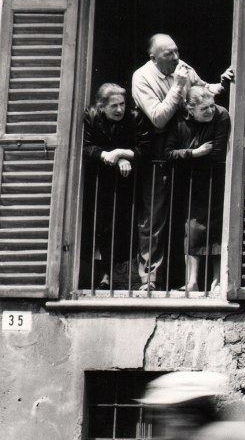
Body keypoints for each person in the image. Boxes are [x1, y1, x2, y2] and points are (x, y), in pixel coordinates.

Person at [131, 34, 234, 290]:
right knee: (154, 216)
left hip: (188, 144)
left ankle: (190, 280)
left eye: (177, 51)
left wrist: (221, 82)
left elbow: (203, 91)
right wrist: (177, 86)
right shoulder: (142, 77)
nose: (176, 58)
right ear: (154, 57)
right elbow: (158, 118)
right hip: (159, 151)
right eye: (169, 54)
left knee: (192, 215)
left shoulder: (183, 67)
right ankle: (150, 279)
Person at [81, 83, 151, 289]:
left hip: (128, 181)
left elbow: (146, 149)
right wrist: (109, 156)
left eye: (122, 104)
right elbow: (87, 147)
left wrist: (121, 153)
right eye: (114, 106)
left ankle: (124, 275)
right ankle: (104, 274)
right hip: (99, 180)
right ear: (101, 106)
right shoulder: (91, 116)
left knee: (125, 226)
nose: (120, 109)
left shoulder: (135, 117)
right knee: (100, 226)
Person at [165, 86, 231, 295]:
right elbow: (168, 153)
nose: (210, 111)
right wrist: (194, 152)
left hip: (217, 180)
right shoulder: (180, 120)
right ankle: (192, 281)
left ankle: (217, 281)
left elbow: (218, 153)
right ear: (190, 109)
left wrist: (186, 156)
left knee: (218, 229)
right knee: (193, 230)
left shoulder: (221, 115)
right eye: (204, 109)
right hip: (191, 183)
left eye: (211, 106)